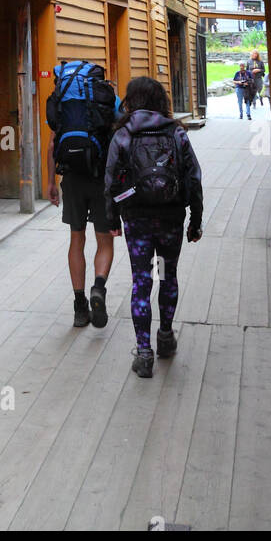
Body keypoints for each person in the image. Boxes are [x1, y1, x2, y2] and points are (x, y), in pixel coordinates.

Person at [104, 77, 203, 378]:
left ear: (131, 100)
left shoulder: (122, 135)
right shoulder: (176, 133)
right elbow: (194, 178)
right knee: (167, 276)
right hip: (171, 217)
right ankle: (166, 336)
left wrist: (111, 219)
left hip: (136, 219)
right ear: (161, 100)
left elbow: (109, 182)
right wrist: (195, 219)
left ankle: (143, 352)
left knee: (141, 281)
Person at [46, 61, 121, 330]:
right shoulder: (106, 96)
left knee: (76, 238)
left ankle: (80, 307)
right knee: (105, 241)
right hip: (102, 177)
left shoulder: (62, 100)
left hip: (72, 178)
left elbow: (54, 142)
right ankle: (98, 287)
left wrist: (51, 182)